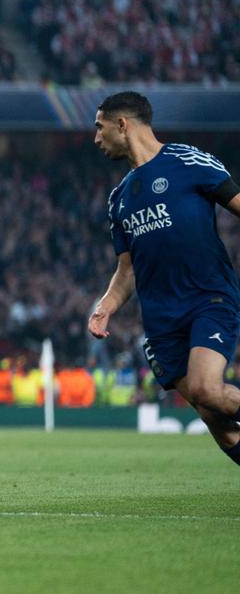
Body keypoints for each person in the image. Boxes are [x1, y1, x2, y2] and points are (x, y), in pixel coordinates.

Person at [89, 91, 240, 466]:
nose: (96, 138)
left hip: (208, 298)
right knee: (215, 419)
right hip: (161, 321)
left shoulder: (189, 161)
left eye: (99, 126)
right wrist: (106, 305)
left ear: (121, 125)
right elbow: (127, 271)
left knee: (207, 389)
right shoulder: (119, 198)